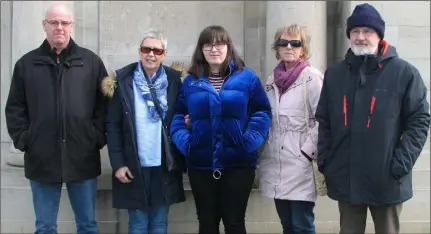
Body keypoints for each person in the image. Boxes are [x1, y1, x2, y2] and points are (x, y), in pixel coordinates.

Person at [315, 3, 431, 234]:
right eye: (355, 32)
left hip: (387, 179)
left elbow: (419, 121)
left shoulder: (404, 73)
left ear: (379, 35)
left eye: (367, 31)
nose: (360, 37)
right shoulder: (335, 74)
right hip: (346, 178)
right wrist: (327, 160)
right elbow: (324, 121)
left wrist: (400, 163)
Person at [4, 3, 108, 234]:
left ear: (72, 25)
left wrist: (95, 137)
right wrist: (26, 139)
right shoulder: (26, 64)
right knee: (44, 227)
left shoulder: (91, 62)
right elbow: (14, 108)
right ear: (45, 25)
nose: (59, 27)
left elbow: (105, 107)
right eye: (53, 22)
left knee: (88, 225)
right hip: (42, 159)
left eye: (64, 22)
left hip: (82, 157)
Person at [169, 25, 272, 234]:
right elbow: (178, 116)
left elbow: (262, 112)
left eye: (219, 44)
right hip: (201, 164)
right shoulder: (191, 82)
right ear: (201, 49)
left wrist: (248, 141)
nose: (214, 49)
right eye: (208, 44)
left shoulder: (247, 78)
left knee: (234, 222)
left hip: (238, 165)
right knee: (207, 223)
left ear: (228, 47)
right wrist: (188, 143)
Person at [102, 29, 186, 234]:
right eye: (146, 49)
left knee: (159, 223)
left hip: (164, 164)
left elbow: (182, 116)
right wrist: (118, 164)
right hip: (133, 164)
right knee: (138, 224)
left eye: (157, 51)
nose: (151, 54)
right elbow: (112, 127)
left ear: (164, 54)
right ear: (139, 51)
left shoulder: (175, 80)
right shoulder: (122, 80)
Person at [259, 24, 323, 234]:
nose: (289, 46)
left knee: (302, 225)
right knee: (287, 224)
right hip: (276, 160)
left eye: (295, 43)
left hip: (300, 162)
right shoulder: (271, 80)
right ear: (276, 49)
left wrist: (306, 152)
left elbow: (324, 119)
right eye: (283, 42)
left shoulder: (312, 78)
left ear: (303, 49)